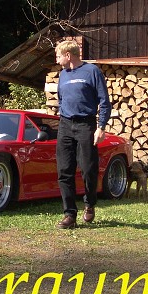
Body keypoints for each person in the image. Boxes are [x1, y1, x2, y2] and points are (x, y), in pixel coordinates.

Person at [54, 40, 111, 229]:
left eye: (58, 56)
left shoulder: (92, 71)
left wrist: (101, 127)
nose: (57, 60)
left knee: (88, 169)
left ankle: (89, 203)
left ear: (68, 55)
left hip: (86, 125)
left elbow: (104, 101)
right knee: (64, 170)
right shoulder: (63, 75)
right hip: (65, 125)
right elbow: (61, 99)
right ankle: (69, 214)